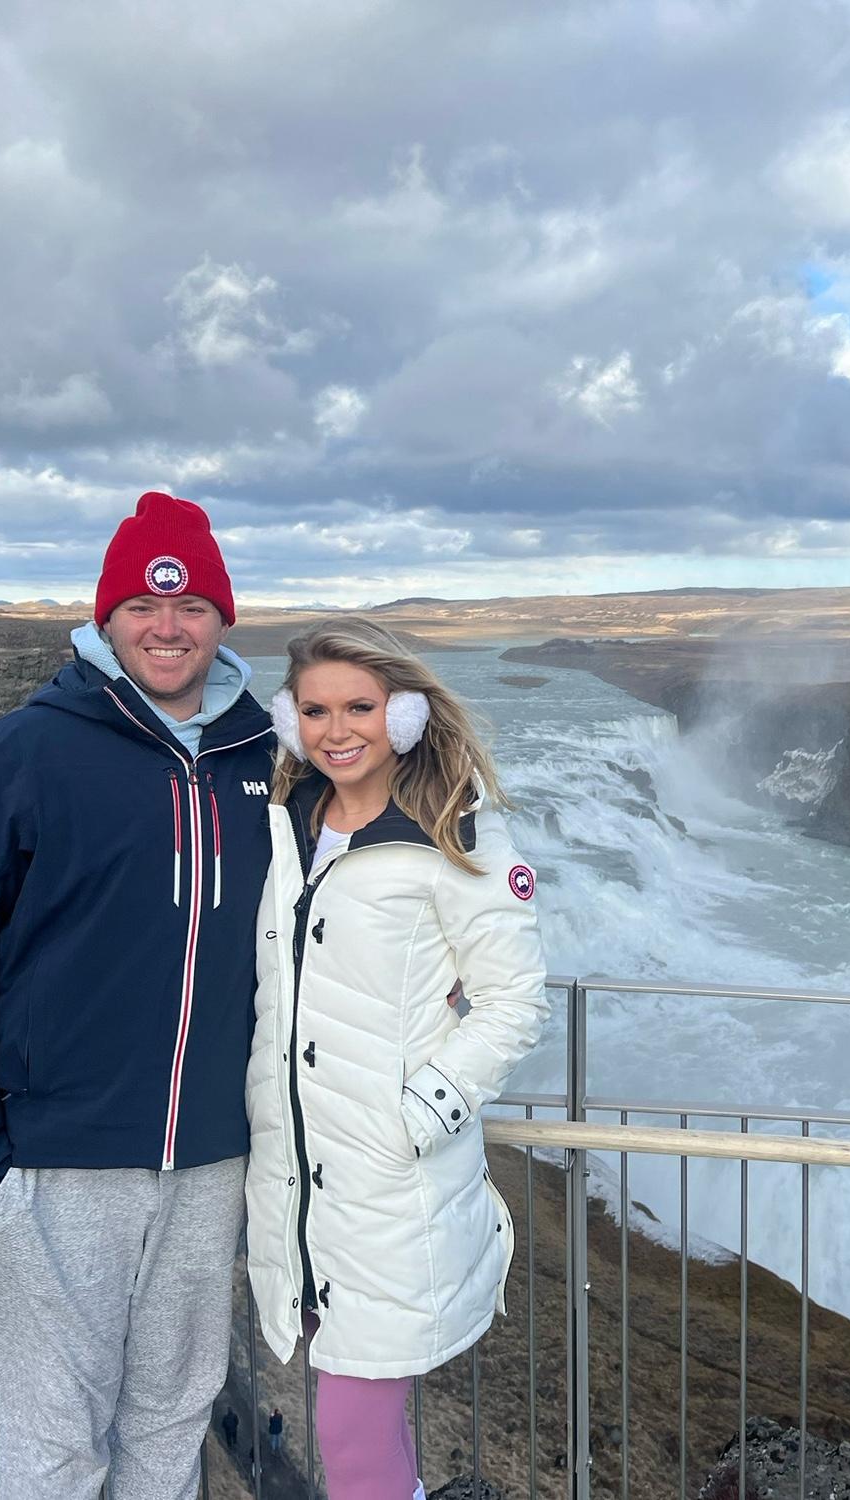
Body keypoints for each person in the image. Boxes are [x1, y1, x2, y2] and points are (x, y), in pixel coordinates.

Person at [0, 491, 275, 1500]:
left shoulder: (263, 759)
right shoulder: (20, 755)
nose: (168, 625)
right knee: (57, 1450)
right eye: (145, 605)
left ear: (221, 620)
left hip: (209, 1164)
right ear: (106, 618)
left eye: (191, 604)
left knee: (167, 1432)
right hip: (48, 1168)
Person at [244, 620, 548, 1500]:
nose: (337, 730)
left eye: (360, 707)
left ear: (405, 714)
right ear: (288, 718)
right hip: (300, 1180)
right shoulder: (285, 823)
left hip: (389, 1182)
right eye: (314, 710)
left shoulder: (454, 836)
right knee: (359, 1423)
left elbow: (514, 1000)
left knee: (349, 1423)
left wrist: (419, 1114)